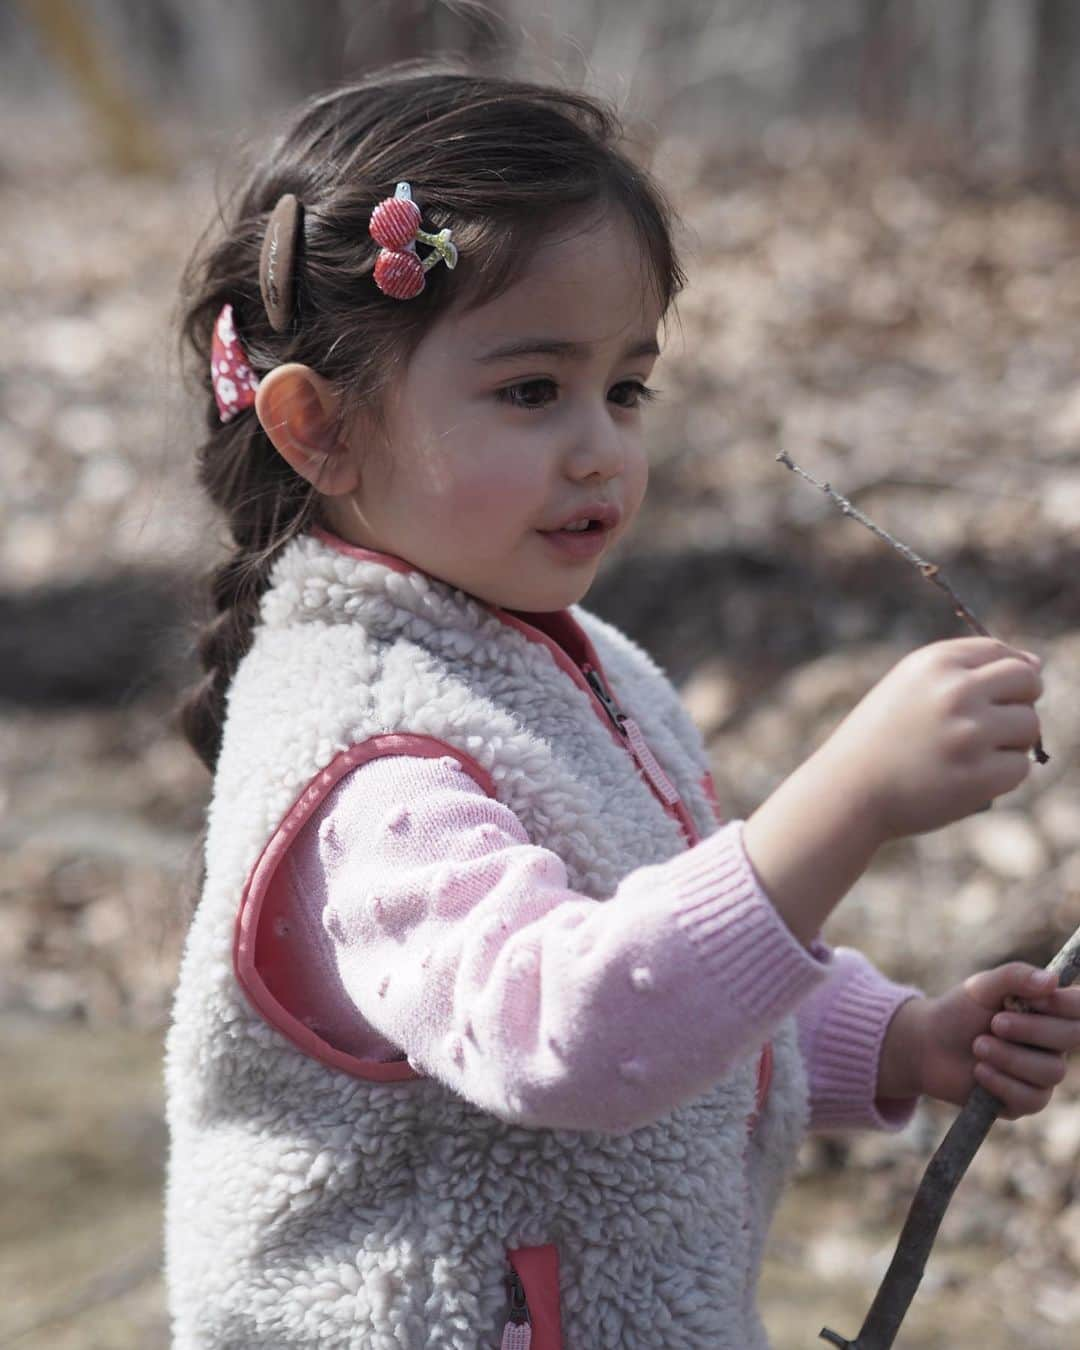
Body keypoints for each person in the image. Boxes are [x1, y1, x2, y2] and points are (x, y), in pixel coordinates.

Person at [165, 63, 1079, 1350]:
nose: (600, 445)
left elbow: (669, 966)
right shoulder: (375, 763)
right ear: (322, 431)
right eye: (532, 390)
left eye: (626, 387)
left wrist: (899, 1041)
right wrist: (850, 799)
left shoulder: (574, 661)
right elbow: (575, 1030)